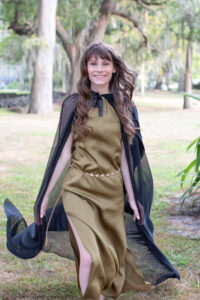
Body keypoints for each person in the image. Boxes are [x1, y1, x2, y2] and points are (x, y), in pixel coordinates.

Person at [4, 42, 180, 299]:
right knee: (88, 257)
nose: (99, 69)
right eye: (93, 63)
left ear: (114, 68)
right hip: (78, 189)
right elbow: (63, 153)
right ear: (86, 67)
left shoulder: (125, 106)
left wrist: (132, 198)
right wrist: (45, 195)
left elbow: (125, 158)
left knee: (109, 257)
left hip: (110, 193)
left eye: (105, 63)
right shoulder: (75, 104)